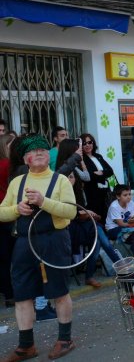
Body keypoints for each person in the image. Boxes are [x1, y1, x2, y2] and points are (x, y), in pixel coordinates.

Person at [0, 134, 78, 361]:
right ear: (26, 158)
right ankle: (26, 346)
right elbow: (1, 211)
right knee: (22, 293)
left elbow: (71, 211)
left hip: (54, 240)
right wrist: (17, 209)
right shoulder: (17, 182)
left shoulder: (60, 180)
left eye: (43, 149)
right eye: (33, 151)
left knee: (59, 291)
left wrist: (44, 202)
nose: (40, 152)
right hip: (24, 242)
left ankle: (65, 339)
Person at [105, 184, 134, 259]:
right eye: (125, 195)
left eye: (129, 194)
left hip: (128, 227)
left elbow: (133, 217)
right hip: (113, 229)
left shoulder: (131, 203)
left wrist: (133, 219)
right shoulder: (114, 206)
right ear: (118, 197)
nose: (128, 197)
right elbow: (121, 224)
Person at [80, 133, 114, 224]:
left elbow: (110, 171)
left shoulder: (98, 156)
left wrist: (101, 172)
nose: (87, 145)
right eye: (84, 143)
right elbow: (88, 177)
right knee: (96, 218)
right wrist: (101, 174)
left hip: (105, 192)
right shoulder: (81, 160)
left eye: (89, 142)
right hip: (92, 194)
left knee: (107, 217)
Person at [0, 134, 15, 308]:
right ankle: (12, 293)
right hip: (8, 212)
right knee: (12, 256)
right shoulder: (8, 165)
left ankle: (8, 293)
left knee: (3, 257)